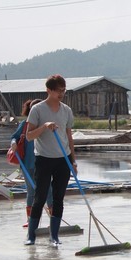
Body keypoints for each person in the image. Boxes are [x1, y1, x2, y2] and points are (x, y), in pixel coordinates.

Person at [24, 75, 77, 246]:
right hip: (44, 159)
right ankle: (31, 236)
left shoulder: (66, 110)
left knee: (58, 198)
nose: (62, 93)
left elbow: (69, 136)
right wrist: (45, 126)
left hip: (63, 159)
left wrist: (73, 161)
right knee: (39, 197)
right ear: (49, 90)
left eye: (64, 90)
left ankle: (54, 236)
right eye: (58, 90)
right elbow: (29, 136)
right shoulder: (37, 110)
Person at [10, 99, 53, 228]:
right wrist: (13, 143)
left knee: (48, 190)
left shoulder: (47, 126)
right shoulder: (24, 125)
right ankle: (30, 219)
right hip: (28, 164)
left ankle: (53, 218)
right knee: (31, 191)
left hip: (44, 163)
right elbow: (14, 137)